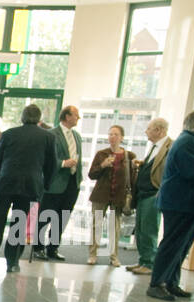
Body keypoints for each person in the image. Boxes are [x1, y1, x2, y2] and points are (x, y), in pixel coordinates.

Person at [0, 104, 57, 273]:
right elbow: (51, 164)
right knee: (19, 222)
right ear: (39, 119)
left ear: (22, 117)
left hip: (6, 182)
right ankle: (12, 262)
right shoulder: (48, 137)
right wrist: (46, 185)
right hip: (30, 185)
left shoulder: (8, 134)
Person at [147, 107, 194, 301]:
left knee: (181, 246)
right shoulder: (188, 142)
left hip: (189, 204)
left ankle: (171, 282)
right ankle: (157, 283)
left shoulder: (193, 142)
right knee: (172, 244)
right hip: (181, 203)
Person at [85, 125, 137, 267]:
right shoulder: (101, 154)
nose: (112, 137)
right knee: (96, 225)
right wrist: (102, 165)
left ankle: (114, 256)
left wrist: (133, 197)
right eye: (110, 134)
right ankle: (92, 254)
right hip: (100, 195)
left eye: (115, 134)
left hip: (119, 196)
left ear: (122, 137)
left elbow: (133, 178)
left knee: (115, 227)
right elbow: (91, 175)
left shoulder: (129, 156)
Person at [127, 117, 172, 276]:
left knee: (149, 229)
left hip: (154, 193)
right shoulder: (154, 147)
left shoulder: (170, 147)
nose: (146, 132)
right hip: (143, 193)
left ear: (159, 130)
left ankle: (150, 263)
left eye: (149, 129)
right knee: (140, 229)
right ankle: (143, 260)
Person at [38, 105, 83, 262]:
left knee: (62, 218)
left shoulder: (77, 136)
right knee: (45, 217)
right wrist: (63, 163)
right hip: (54, 183)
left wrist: (79, 178)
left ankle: (53, 248)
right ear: (67, 116)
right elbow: (45, 160)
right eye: (76, 115)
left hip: (72, 184)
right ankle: (38, 248)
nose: (78, 118)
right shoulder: (51, 135)